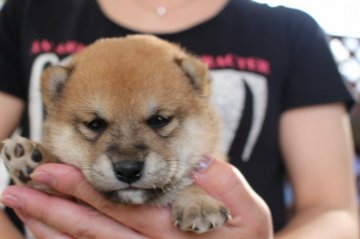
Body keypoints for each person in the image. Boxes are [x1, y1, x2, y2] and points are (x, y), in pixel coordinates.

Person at [0, 0, 358, 238]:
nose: (127, 159)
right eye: (95, 125)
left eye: (159, 121)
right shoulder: (30, 10)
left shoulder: (289, 32)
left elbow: (335, 211)